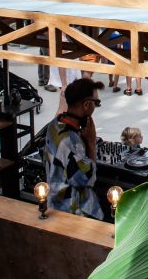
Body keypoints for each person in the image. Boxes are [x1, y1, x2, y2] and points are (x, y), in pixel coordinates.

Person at [44, 78, 105, 220]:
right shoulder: (69, 140)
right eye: (96, 103)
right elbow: (86, 179)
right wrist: (90, 142)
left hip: (54, 203)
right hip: (72, 212)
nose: (95, 108)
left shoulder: (54, 124)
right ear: (86, 104)